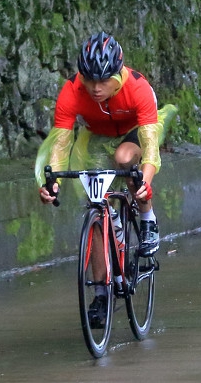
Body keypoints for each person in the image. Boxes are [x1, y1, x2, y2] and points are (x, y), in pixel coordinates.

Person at [36, 31, 176, 327]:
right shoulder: (72, 91)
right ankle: (101, 294)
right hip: (96, 138)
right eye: (90, 80)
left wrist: (145, 181)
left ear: (118, 73)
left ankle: (148, 219)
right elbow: (60, 144)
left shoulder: (137, 88)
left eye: (104, 80)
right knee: (96, 208)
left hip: (134, 133)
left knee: (125, 159)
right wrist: (52, 184)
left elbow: (150, 148)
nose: (96, 88)